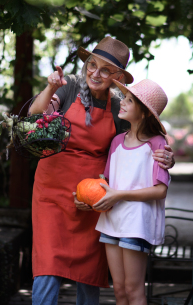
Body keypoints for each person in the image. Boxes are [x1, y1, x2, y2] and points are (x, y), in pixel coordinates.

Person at [28, 37, 175, 305]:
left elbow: (142, 141)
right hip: (51, 191)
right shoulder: (69, 86)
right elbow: (36, 115)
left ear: (118, 76)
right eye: (91, 65)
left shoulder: (120, 106)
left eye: (105, 70)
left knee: (89, 269)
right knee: (48, 263)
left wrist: (166, 157)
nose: (95, 73)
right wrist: (50, 88)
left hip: (94, 195)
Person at [92, 79, 170, 305]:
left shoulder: (157, 144)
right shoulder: (117, 141)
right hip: (111, 221)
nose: (122, 103)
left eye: (129, 100)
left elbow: (160, 191)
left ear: (145, 112)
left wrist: (119, 195)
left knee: (133, 290)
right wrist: (87, 196)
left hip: (137, 224)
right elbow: (105, 181)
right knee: (119, 290)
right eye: (124, 98)